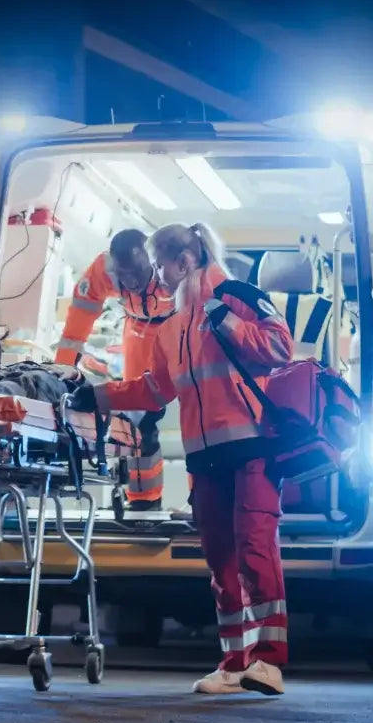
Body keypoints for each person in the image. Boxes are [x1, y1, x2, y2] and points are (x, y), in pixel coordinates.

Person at [71, 222, 293, 696]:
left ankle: (269, 662)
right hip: (205, 458)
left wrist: (226, 322)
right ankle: (234, 664)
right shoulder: (170, 326)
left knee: (256, 550)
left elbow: (278, 346)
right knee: (221, 560)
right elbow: (154, 390)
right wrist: (98, 396)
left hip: (252, 448)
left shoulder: (237, 295)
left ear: (185, 261)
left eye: (162, 265)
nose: (158, 275)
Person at [55, 229, 175, 509]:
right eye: (125, 274)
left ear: (153, 261)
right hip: (139, 334)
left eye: (138, 273)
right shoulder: (104, 270)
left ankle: (202, 501)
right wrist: (63, 368)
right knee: (140, 419)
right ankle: (145, 501)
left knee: (198, 420)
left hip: (179, 328)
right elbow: (78, 321)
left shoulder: (172, 267)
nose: (131, 282)